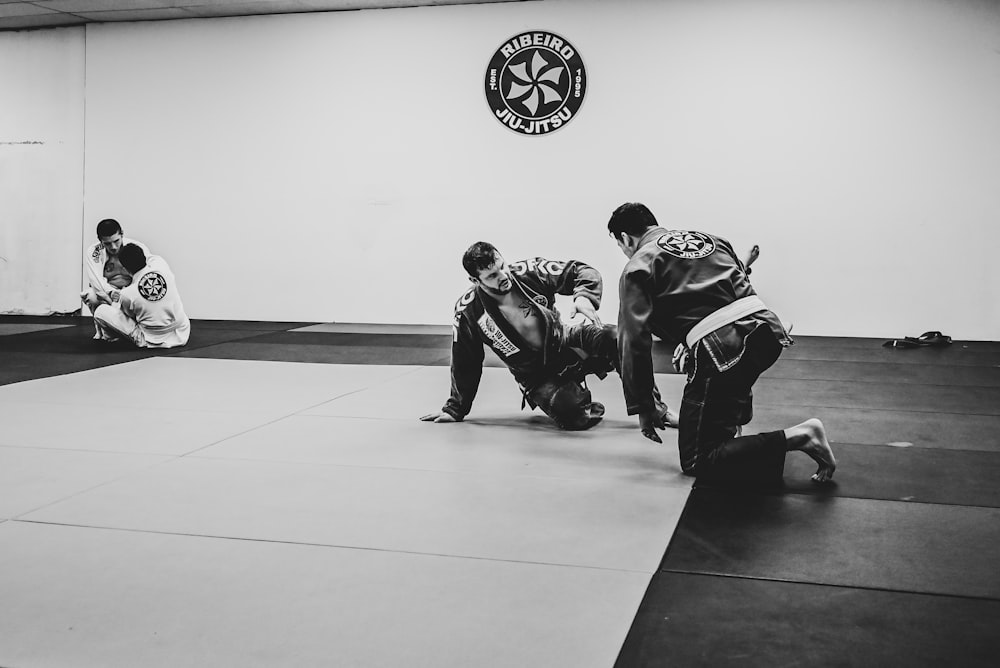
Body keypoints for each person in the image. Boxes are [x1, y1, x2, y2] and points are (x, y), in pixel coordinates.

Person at [608, 202, 836, 484]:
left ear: (625, 239)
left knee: (698, 459)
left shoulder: (638, 265)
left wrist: (645, 406)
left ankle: (801, 436)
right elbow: (723, 290)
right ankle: (733, 426)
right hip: (766, 330)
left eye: (621, 246)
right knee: (730, 378)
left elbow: (633, 342)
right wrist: (691, 341)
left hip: (722, 351)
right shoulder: (710, 240)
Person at [421, 241, 662, 430]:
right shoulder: (469, 312)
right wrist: (455, 409)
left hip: (565, 340)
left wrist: (583, 296)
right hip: (535, 374)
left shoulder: (529, 272)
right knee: (572, 416)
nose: (503, 276)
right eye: (492, 276)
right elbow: (465, 362)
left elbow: (580, 271)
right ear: (475, 280)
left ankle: (654, 408)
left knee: (615, 337)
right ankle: (575, 395)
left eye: (502, 266)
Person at [92, 244, 190, 348]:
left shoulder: (127, 294)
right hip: (181, 332)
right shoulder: (161, 264)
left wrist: (114, 301)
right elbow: (152, 257)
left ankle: (111, 337)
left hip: (150, 339)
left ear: (125, 269)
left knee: (101, 311)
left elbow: (128, 316)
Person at [81, 218, 150, 340]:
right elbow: (96, 281)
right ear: (100, 240)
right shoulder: (94, 252)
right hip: (108, 292)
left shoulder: (136, 247)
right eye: (107, 243)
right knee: (91, 295)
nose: (113, 247)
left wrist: (125, 294)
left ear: (122, 234)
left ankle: (134, 326)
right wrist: (111, 294)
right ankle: (102, 327)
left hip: (130, 290)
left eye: (116, 241)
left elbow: (145, 274)